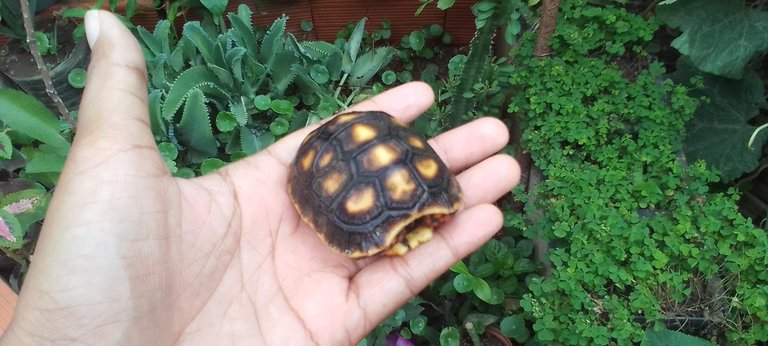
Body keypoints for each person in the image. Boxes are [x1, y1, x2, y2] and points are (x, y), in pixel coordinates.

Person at [0, 10, 520, 345]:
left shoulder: (415, 212)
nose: (420, 237)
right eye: (414, 234)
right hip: (333, 164)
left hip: (387, 169)